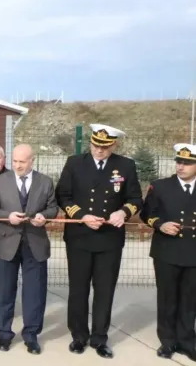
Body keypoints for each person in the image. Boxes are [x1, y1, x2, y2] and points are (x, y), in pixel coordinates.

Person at [55, 123, 142, 359]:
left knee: (104, 291)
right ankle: (78, 336)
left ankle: (100, 338)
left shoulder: (125, 165)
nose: (98, 150)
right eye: (95, 145)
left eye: (104, 147)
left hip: (109, 239)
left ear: (114, 144)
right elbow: (63, 194)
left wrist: (123, 212)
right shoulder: (75, 163)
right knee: (78, 289)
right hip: (80, 238)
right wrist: (82, 216)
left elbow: (135, 197)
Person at [0, 144, 58, 354]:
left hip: (35, 243)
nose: (17, 165)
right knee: (4, 291)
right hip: (6, 243)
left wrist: (44, 217)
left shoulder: (45, 182)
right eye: (15, 161)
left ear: (32, 161)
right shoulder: (0, 181)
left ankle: (31, 335)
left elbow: (53, 207)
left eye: (22, 162)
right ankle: (4, 334)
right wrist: (6, 216)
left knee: (34, 293)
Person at [140, 143, 196, 361]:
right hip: (167, 251)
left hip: (193, 252)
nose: (181, 167)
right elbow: (147, 213)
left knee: (190, 299)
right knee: (167, 298)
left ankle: (187, 341)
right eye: (178, 162)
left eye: (187, 163)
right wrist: (160, 224)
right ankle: (167, 342)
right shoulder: (160, 186)